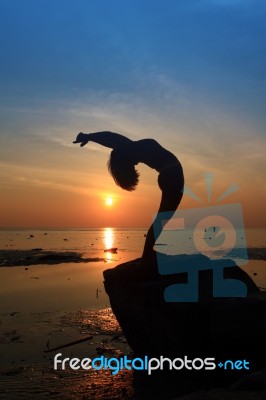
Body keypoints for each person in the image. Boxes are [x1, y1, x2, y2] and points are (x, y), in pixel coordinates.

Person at [73, 131, 184, 259]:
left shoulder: (130, 149)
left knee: (162, 220)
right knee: (162, 220)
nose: (135, 164)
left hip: (169, 175)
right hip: (171, 176)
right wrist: (90, 137)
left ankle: (148, 255)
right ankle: (147, 257)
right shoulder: (132, 149)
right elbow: (112, 138)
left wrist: (90, 137)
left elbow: (111, 138)